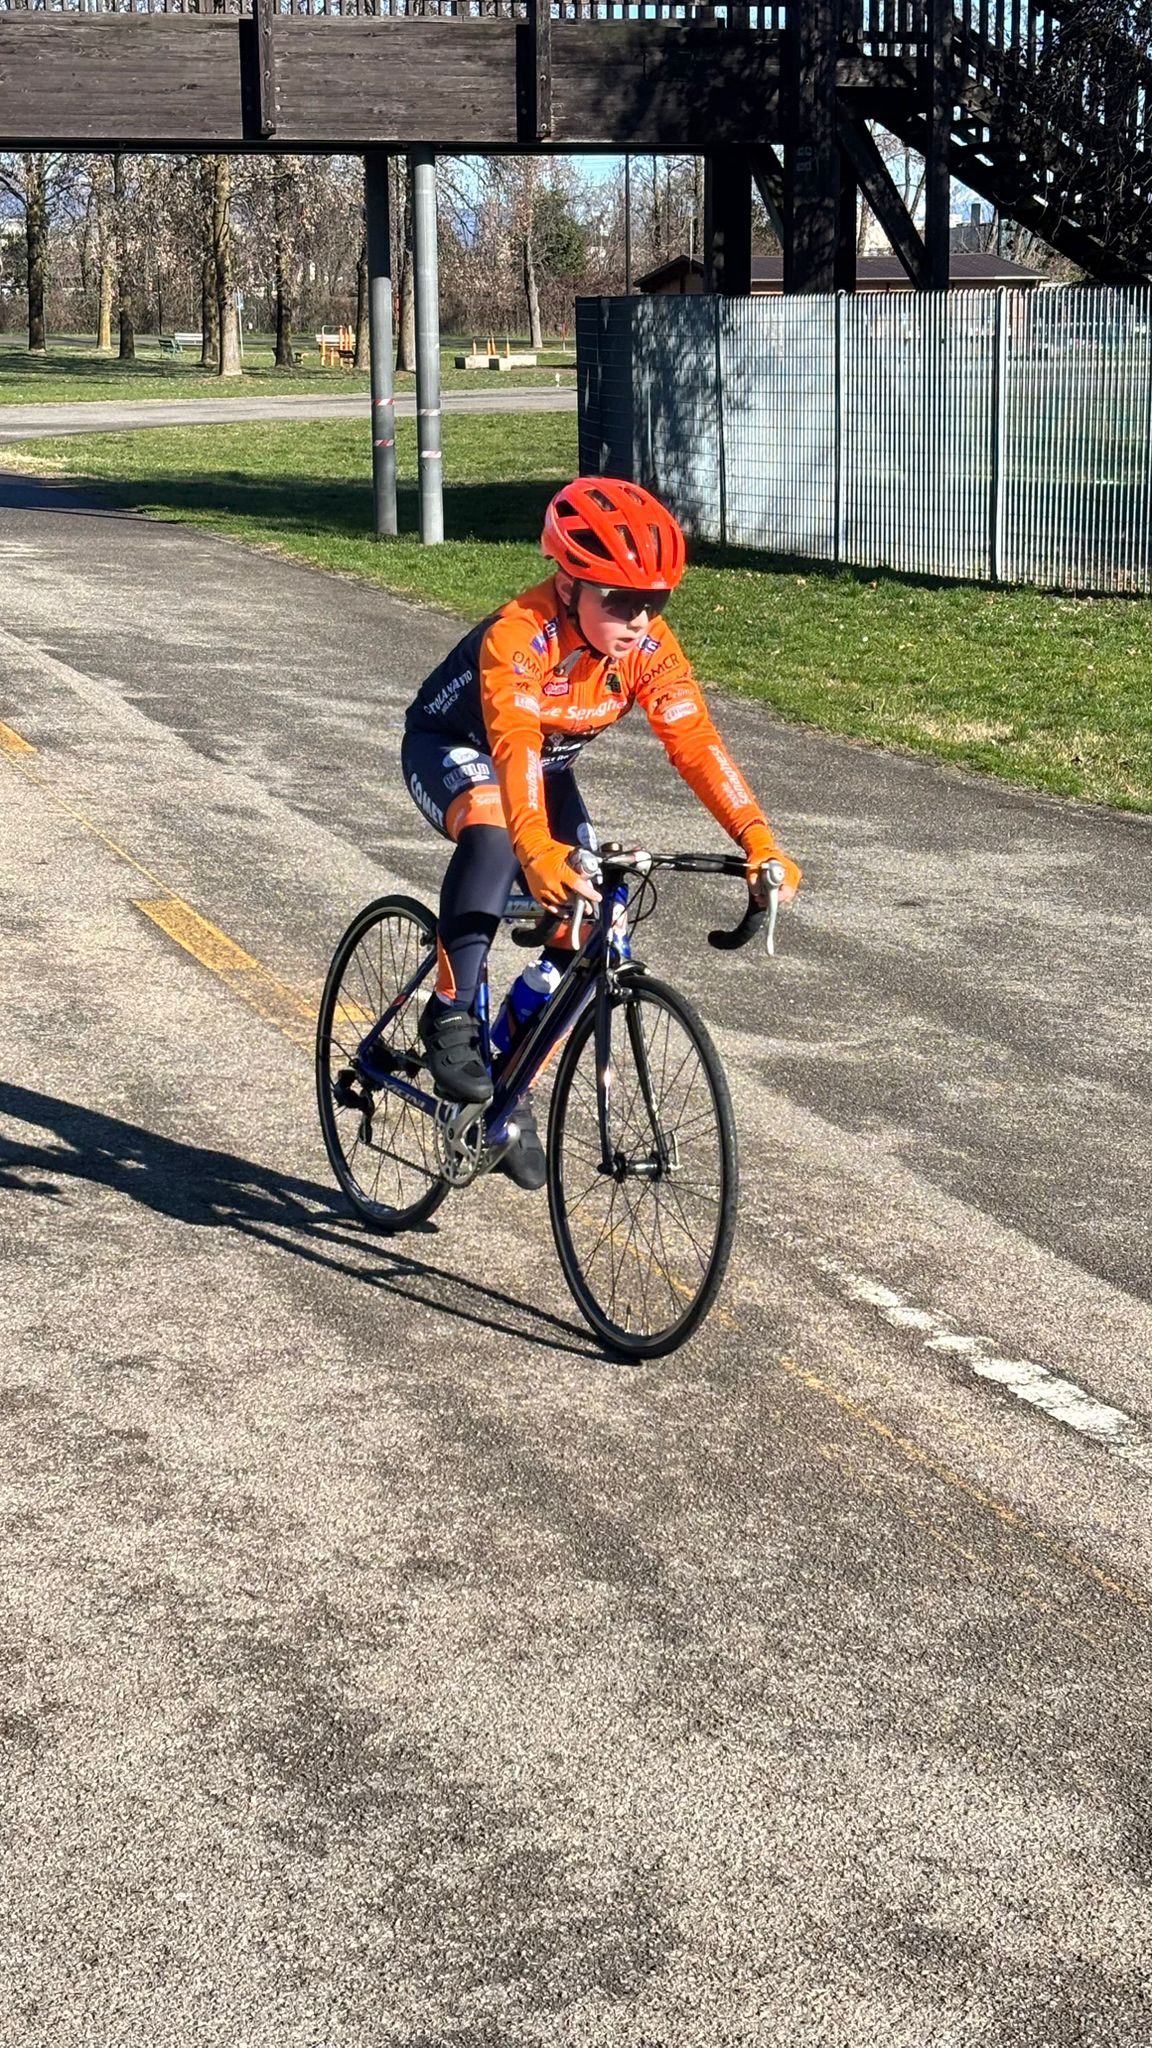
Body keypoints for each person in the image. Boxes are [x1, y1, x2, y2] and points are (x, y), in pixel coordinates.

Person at [401, 476, 802, 1190]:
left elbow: (694, 742)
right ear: (568, 583)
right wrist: (535, 848)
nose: (639, 618)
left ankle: (505, 1094)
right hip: (456, 748)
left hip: (544, 769)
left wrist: (757, 840)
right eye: (619, 599)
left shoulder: (647, 647)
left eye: (655, 601)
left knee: (595, 925)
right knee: (494, 828)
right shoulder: (521, 634)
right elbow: (515, 744)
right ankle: (450, 1013)